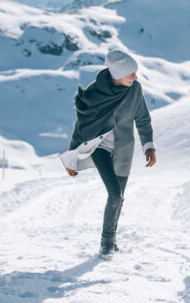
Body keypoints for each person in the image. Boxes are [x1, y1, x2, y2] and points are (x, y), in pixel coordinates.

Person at [61, 49, 157, 260]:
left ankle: (112, 238)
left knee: (119, 197)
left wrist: (148, 145)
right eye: (131, 74)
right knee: (114, 194)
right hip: (99, 147)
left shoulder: (135, 89)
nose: (136, 77)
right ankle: (106, 242)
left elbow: (142, 118)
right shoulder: (94, 93)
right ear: (117, 74)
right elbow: (81, 125)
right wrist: (72, 156)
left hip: (124, 149)